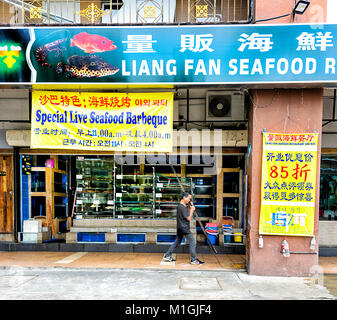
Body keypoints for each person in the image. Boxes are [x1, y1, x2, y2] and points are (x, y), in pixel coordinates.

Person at [163, 191, 205, 265]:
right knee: (192, 242)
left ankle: (167, 255)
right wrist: (192, 210)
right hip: (184, 228)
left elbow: (186, 214)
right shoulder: (182, 207)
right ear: (184, 198)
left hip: (180, 228)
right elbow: (188, 218)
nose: (189, 200)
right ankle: (193, 260)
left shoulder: (181, 206)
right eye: (189, 199)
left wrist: (189, 207)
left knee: (177, 242)